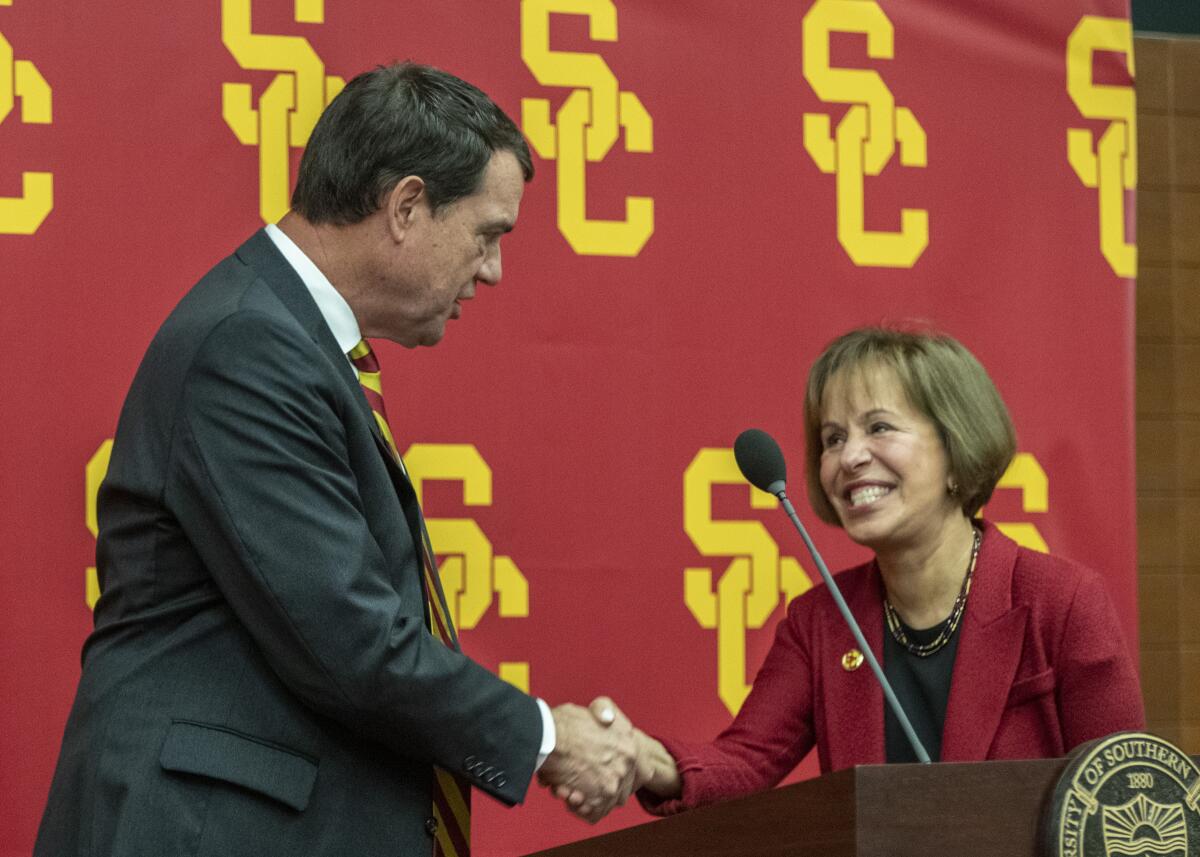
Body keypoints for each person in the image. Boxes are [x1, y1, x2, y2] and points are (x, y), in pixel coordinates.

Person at [35, 62, 635, 857]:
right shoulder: (247, 346)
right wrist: (547, 739)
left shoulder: (291, 343)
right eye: (487, 235)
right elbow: (348, 639)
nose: (492, 270)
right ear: (407, 206)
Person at [557, 326, 1145, 819]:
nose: (849, 457)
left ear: (956, 448)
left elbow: (1128, 800)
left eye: (879, 428)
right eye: (832, 438)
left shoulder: (1061, 603)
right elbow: (745, 764)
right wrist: (641, 757)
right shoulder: (820, 621)